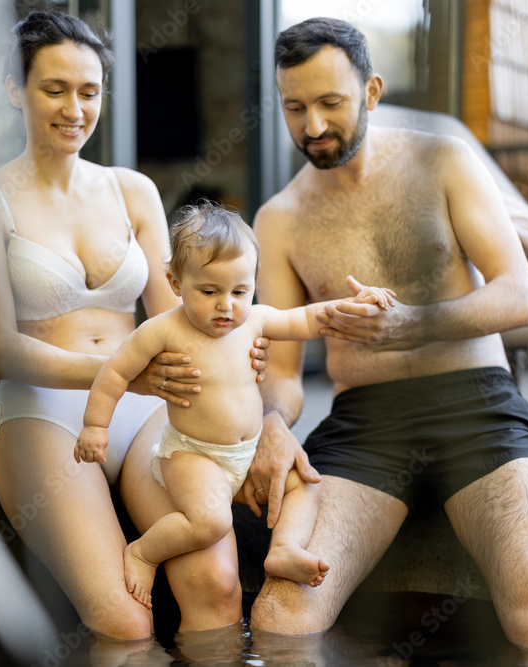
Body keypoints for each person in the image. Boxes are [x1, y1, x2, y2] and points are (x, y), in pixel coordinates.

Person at [246, 17, 528, 653]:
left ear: (371, 91)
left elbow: (521, 296)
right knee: (281, 617)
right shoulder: (280, 219)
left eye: (330, 103)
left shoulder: (443, 161)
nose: (313, 126)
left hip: (475, 404)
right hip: (366, 423)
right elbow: (286, 375)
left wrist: (411, 325)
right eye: (295, 107)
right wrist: (270, 422)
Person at [0, 10, 269, 642]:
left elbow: (185, 311)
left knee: (217, 585)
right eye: (54, 89)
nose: (75, 108)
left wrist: (236, 353)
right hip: (44, 413)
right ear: (15, 90)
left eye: (89, 92)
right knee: (125, 623)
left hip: (143, 406)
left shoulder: (132, 191)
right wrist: (122, 371)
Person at [73, 202, 394, 609]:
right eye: (209, 292)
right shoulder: (161, 331)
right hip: (193, 455)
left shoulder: (254, 321)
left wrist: (353, 305)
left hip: (246, 455)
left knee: (305, 487)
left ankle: (284, 549)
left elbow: (307, 320)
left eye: (240, 291)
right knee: (211, 521)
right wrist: (95, 426)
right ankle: (143, 552)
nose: (227, 305)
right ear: (175, 282)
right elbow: (114, 373)